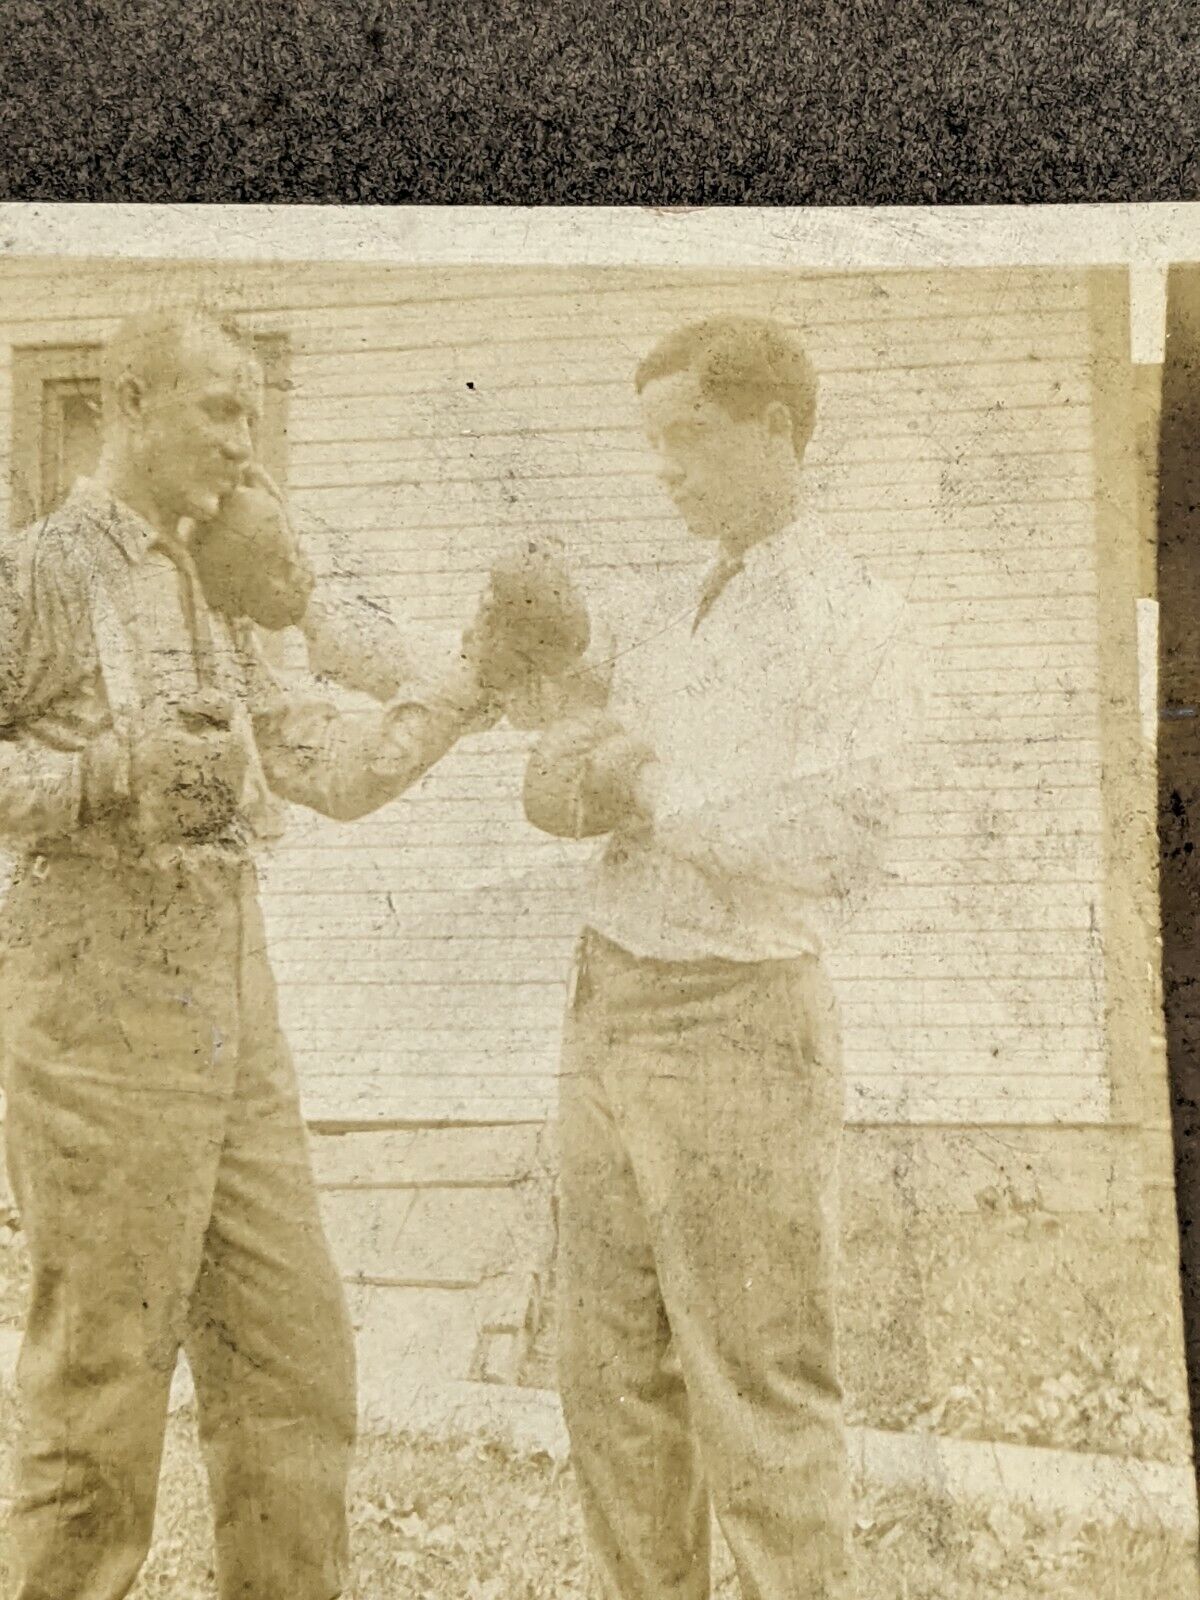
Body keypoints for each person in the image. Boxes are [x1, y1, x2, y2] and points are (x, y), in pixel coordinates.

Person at [0, 307, 582, 1600]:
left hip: (231, 999)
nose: (246, 448)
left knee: (292, 1367)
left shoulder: (230, 579)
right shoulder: (41, 574)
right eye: (219, 411)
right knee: (99, 1403)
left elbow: (328, 764)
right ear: (129, 403)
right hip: (92, 1003)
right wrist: (105, 778)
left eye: (256, 416)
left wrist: (472, 677)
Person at [521, 316, 928, 1600]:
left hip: (740, 1015)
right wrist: (570, 763)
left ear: (778, 432)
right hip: (609, 1002)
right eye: (655, 445)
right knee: (611, 1379)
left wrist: (652, 792)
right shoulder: (666, 604)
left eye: (689, 439)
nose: (667, 472)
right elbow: (578, 738)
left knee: (756, 1382)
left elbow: (848, 833)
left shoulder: (855, 615)